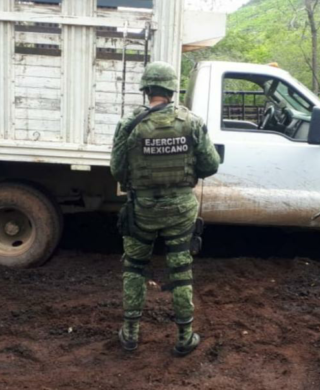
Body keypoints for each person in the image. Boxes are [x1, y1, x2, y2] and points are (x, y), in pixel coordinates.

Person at [110, 61, 221, 356]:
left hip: (143, 208)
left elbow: (117, 171)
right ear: (172, 89)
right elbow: (211, 165)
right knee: (181, 269)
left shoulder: (129, 124)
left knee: (134, 267)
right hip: (181, 209)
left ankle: (130, 333)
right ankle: (185, 336)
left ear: (146, 89)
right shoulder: (192, 123)